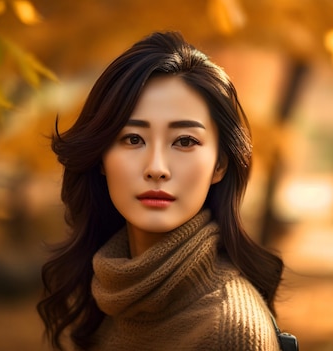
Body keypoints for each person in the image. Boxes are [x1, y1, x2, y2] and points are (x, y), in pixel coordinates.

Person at [38, 31, 286, 351]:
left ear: (220, 165)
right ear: (101, 157)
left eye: (184, 141)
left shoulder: (231, 332)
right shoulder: (109, 295)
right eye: (133, 139)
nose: (157, 168)